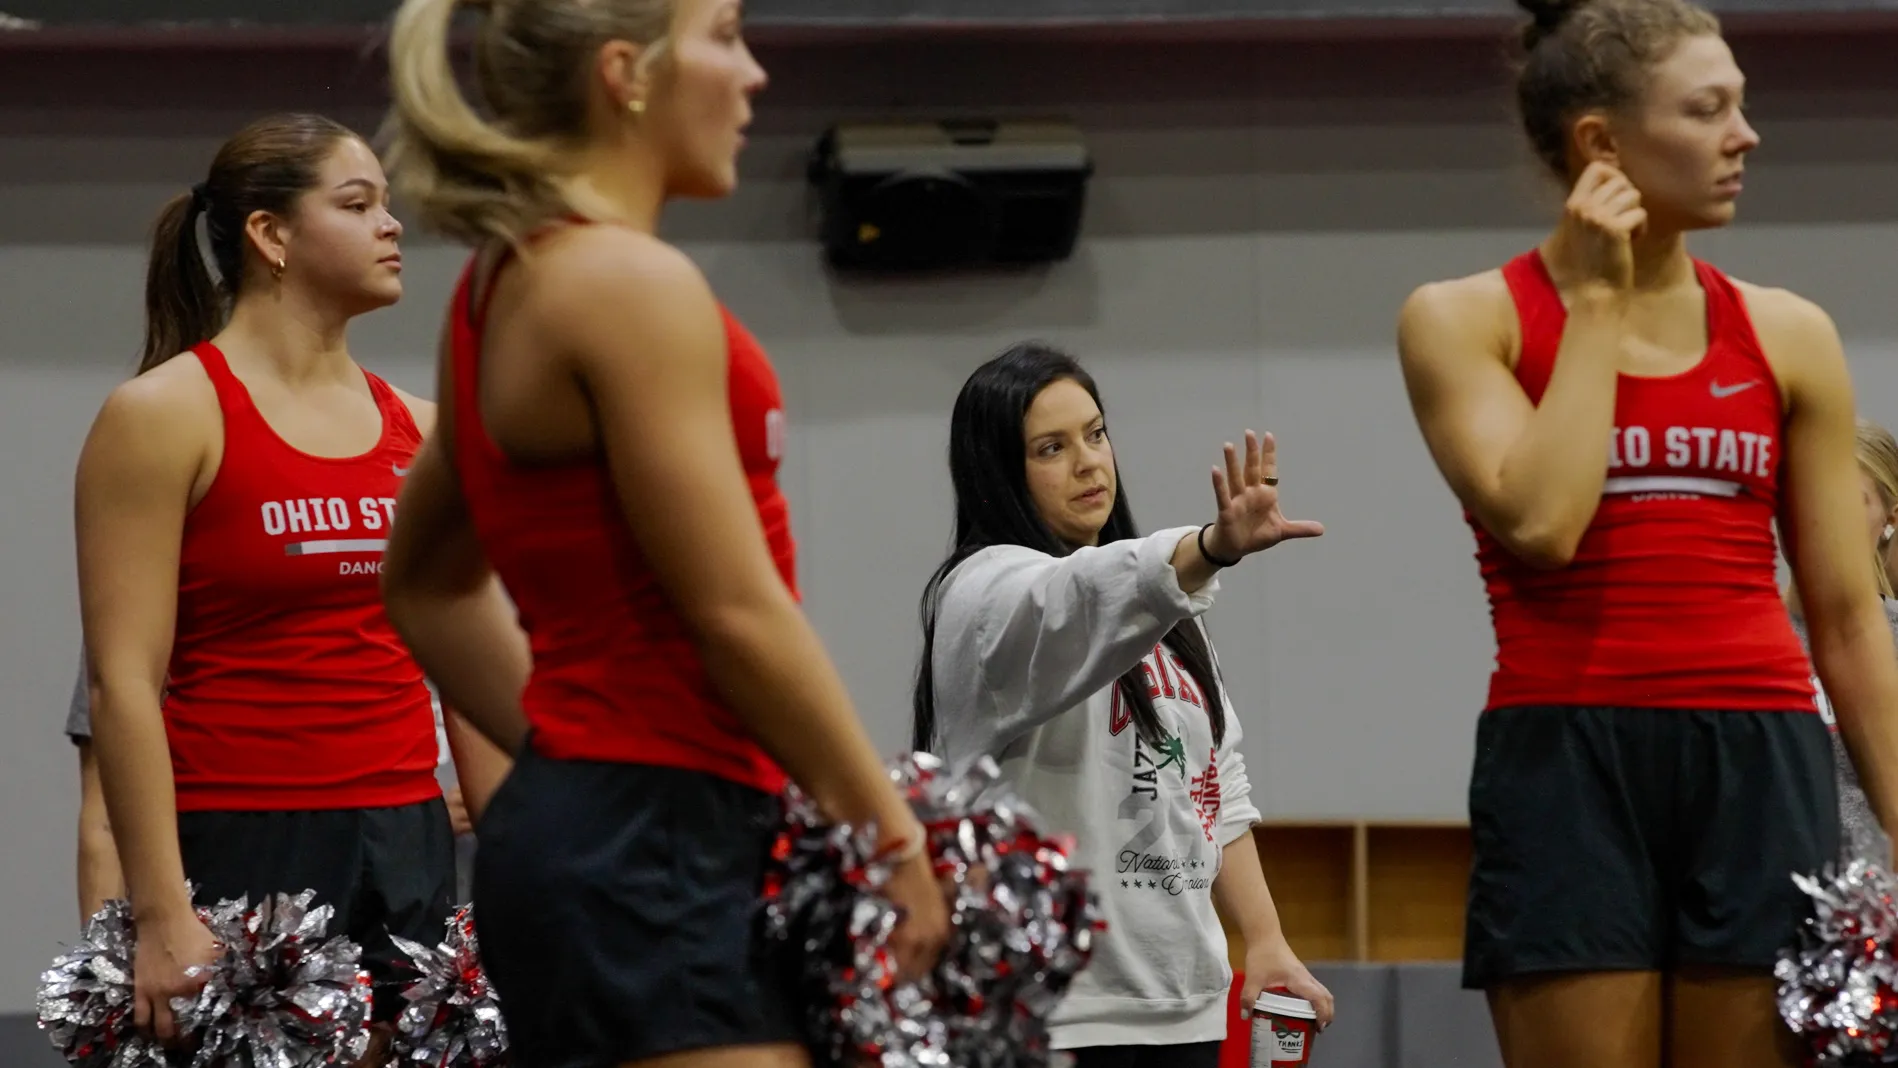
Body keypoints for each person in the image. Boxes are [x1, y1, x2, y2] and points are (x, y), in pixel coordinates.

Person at [375, 1, 949, 1066]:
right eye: (725, 34)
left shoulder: (496, 288)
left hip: (606, 829)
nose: (754, 74)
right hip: (656, 846)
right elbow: (733, 611)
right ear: (623, 73)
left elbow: (425, 585)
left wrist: (566, 757)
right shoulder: (626, 285)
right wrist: (889, 832)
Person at [1395, 1, 1898, 1064]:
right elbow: (1538, 521)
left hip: (1756, 755)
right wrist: (1591, 309)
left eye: (1741, 106)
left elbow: (1847, 618)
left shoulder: (1787, 332)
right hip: (1567, 756)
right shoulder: (1461, 318)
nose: (1743, 136)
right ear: (1599, 145)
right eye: (1708, 109)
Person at [74, 111, 506, 1061]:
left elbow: (470, 677)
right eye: (358, 204)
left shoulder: (427, 430)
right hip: (240, 840)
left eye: (389, 205)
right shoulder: (163, 415)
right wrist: (157, 911)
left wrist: (531, 873)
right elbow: (121, 684)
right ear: (270, 234)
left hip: (407, 837)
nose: (394, 225)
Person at [910, 343, 1335, 1068]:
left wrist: (1263, 940)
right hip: (1051, 1015)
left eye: (1096, 434)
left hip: (1183, 1008)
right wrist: (1209, 546)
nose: (1088, 462)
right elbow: (1076, 593)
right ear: (999, 472)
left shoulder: (1169, 609)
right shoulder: (982, 597)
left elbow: (1214, 786)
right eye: (1051, 447)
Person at [65, 642, 494, 923]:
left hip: (419, 895)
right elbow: (103, 823)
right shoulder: (141, 617)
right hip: (238, 888)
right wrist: (107, 980)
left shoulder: (427, 585)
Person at [1785, 417, 1898, 868]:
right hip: (1767, 910)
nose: (1815, 517)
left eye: (1844, 502)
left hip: (1877, 910)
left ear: (1889, 522)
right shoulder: (1743, 642)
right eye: (1799, 493)